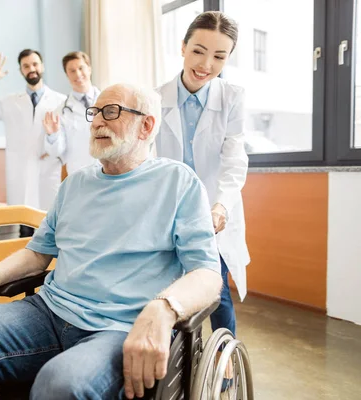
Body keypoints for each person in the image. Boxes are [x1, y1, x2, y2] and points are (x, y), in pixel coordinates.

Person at [0, 84, 223, 400]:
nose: (97, 122)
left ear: (146, 125)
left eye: (111, 111)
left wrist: (164, 308)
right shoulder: (74, 185)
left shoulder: (178, 182)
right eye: (95, 113)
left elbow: (207, 274)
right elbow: (37, 255)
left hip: (120, 327)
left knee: (59, 385)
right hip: (48, 313)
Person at [154, 11, 250, 391]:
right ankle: (172, 361)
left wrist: (222, 205)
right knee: (171, 285)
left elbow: (234, 157)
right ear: (182, 48)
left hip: (216, 211)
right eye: (198, 51)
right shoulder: (155, 99)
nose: (206, 64)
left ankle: (225, 364)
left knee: (219, 290)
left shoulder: (232, 98)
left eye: (220, 56)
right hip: (169, 210)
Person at [0, 50, 65, 237]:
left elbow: (62, 141)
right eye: (26, 66)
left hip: (47, 172)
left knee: (51, 228)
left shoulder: (60, 101)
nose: (32, 69)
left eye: (35, 64)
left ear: (42, 66)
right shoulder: (10, 102)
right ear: (21, 70)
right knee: (25, 232)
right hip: (20, 174)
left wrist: (50, 145)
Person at [43, 51, 100, 175]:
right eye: (72, 71)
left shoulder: (108, 102)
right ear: (67, 75)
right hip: (80, 173)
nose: (78, 74)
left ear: (89, 69)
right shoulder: (60, 112)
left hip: (108, 170)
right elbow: (56, 152)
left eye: (81, 68)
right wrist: (52, 135)